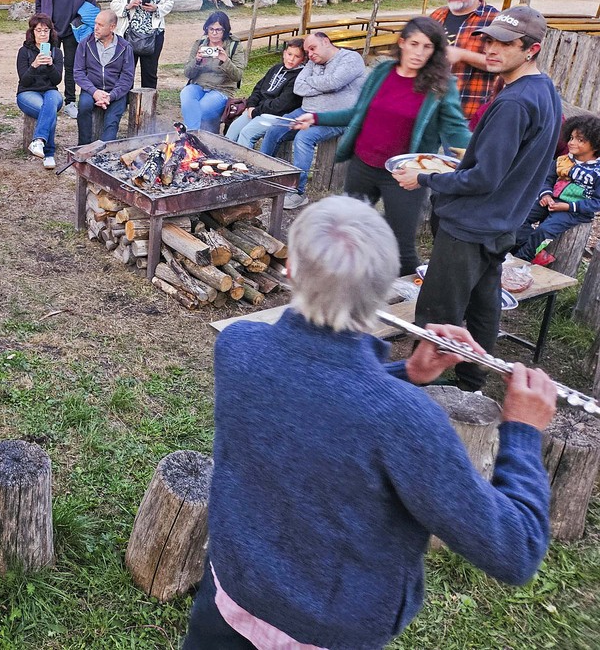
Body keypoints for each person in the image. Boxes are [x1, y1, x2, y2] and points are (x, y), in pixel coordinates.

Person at [182, 195, 556, 650]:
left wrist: (407, 373)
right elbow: (515, 549)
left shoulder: (239, 346)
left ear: (291, 271)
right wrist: (522, 431)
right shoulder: (404, 420)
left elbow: (316, 390)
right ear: (385, 290)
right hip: (331, 631)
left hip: (233, 594)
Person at [395, 6, 562, 392]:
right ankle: (472, 382)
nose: (491, 48)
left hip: (471, 226)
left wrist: (425, 176)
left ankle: (416, 391)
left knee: (437, 313)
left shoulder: (513, 103)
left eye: (505, 43)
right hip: (503, 222)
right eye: (488, 39)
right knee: (484, 308)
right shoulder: (544, 89)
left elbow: (484, 178)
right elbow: (506, 164)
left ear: (531, 49)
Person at [292, 17, 472, 274]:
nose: (419, 52)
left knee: (401, 246)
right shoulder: (382, 72)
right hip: (362, 165)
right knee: (347, 230)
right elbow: (360, 112)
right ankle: (348, 284)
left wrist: (477, 157)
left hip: (403, 176)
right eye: (414, 44)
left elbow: (456, 129)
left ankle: (411, 302)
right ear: (402, 43)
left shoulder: (440, 85)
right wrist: (317, 117)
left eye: (427, 47)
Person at [260, 31, 367, 209]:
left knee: (304, 138)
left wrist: (319, 84)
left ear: (325, 42)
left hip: (336, 117)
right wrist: (326, 86)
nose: (310, 54)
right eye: (307, 51)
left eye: (312, 48)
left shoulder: (350, 58)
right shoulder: (312, 61)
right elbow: (298, 86)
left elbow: (334, 82)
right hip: (305, 111)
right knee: (275, 129)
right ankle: (263, 176)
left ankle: (297, 192)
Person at [513, 114, 600, 261]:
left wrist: (568, 206)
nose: (572, 143)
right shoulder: (562, 161)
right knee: (518, 216)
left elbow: (597, 202)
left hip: (575, 210)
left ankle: (522, 258)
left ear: (596, 144)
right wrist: (546, 195)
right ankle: (533, 251)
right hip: (551, 201)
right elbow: (546, 180)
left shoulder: (597, 171)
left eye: (580, 140)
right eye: (571, 138)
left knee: (544, 230)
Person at [430, 0, 499, 124]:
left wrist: (462, 55)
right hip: (431, 106)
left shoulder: (494, 21)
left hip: (466, 112)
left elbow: (501, 63)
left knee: (460, 151)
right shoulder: (437, 16)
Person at [35, 0, 97, 119]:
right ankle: (48, 99)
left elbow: (91, 4)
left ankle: (70, 101)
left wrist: (80, 22)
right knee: (47, 62)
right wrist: (42, 25)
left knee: (71, 67)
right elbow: (39, 3)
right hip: (50, 31)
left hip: (73, 31)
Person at [224, 38, 305, 149]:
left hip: (276, 116)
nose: (291, 59)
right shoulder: (276, 68)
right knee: (233, 129)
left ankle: (242, 164)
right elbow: (258, 88)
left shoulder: (299, 77)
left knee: (247, 133)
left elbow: (281, 105)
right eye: (289, 54)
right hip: (257, 110)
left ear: (303, 59)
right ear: (284, 53)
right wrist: (251, 105)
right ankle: (223, 159)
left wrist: (256, 111)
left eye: (297, 56)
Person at [111, 0, 175, 88]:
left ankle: (148, 102)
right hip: (130, 34)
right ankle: (125, 102)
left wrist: (156, 8)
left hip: (153, 34)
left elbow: (169, 2)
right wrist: (128, 6)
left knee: (150, 71)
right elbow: (114, 4)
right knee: (127, 71)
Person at [179, 12, 246, 134]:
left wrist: (226, 60)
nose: (214, 33)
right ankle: (193, 135)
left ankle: (191, 135)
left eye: (218, 30)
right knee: (186, 93)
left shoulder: (234, 46)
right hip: (198, 86)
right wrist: (197, 61)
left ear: (225, 31)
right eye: (211, 29)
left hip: (221, 89)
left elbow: (237, 76)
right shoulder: (199, 44)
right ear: (206, 29)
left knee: (202, 108)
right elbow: (188, 73)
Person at [74, 9, 134, 144]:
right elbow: (78, 73)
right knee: (84, 106)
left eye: (100, 25)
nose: (95, 28)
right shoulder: (85, 43)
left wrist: (110, 96)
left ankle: (104, 153)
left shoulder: (124, 47)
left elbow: (127, 77)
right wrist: (94, 92)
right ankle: (83, 146)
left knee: (112, 120)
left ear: (112, 27)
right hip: (91, 89)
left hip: (116, 91)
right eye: (95, 23)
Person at [15, 13, 65, 171]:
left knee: (50, 102)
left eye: (46, 30)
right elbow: (24, 80)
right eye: (39, 30)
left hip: (50, 92)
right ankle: (49, 153)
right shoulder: (24, 52)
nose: (43, 34)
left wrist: (50, 65)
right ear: (32, 32)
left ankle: (39, 142)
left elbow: (57, 80)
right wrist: (34, 65)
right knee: (49, 111)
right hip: (27, 93)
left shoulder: (56, 52)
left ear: (51, 32)